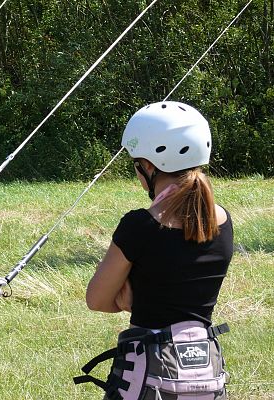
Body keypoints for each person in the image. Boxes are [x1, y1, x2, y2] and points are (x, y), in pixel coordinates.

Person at [74, 101, 233, 400]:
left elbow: (96, 299)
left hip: (150, 376)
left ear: (149, 166)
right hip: (206, 373)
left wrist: (130, 296)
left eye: (137, 165)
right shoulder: (222, 221)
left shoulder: (140, 226)